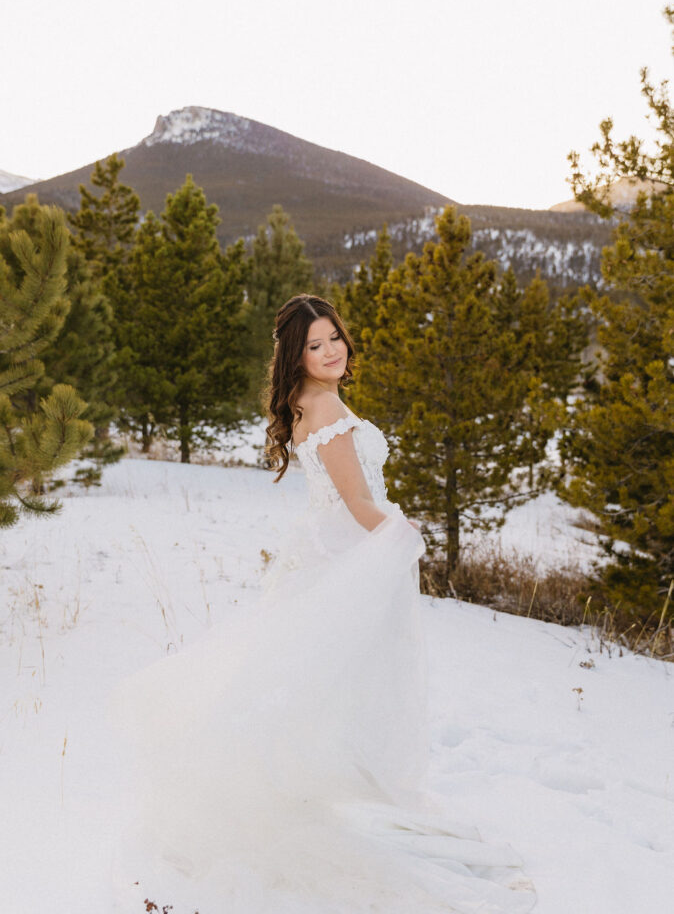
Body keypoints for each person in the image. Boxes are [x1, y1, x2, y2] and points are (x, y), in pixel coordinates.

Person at [106, 293, 536, 913]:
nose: (331, 350)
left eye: (334, 337)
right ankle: (316, 798)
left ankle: (318, 787)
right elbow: (360, 505)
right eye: (315, 344)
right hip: (347, 562)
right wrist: (405, 535)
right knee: (342, 686)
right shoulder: (327, 406)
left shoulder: (305, 401)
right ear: (296, 354)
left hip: (327, 556)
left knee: (317, 688)